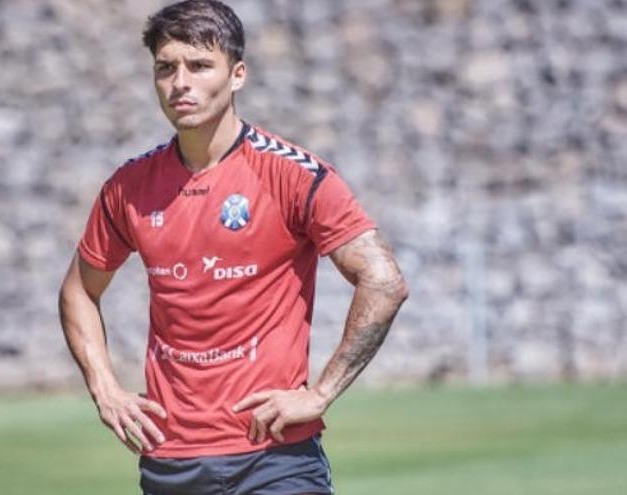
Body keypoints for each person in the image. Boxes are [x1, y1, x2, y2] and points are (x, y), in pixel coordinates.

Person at [58, 1, 409, 493]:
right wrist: (105, 390)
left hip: (276, 457)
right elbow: (78, 290)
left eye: (199, 66)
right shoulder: (129, 187)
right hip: (171, 458)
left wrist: (321, 394)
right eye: (166, 68)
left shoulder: (295, 175)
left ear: (237, 74)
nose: (180, 82)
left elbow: (383, 280)